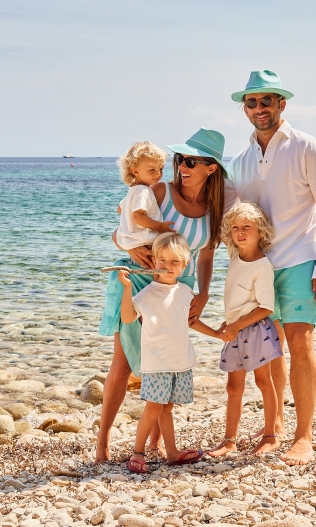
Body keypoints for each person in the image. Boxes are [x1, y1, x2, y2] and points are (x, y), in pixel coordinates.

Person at [224, 70, 316, 465]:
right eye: (252, 102)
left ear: (281, 105)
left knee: (300, 345)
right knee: (269, 352)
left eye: (266, 101)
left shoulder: (308, 148)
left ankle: (303, 437)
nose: (259, 109)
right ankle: (272, 431)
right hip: (258, 269)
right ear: (245, 108)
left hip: (300, 262)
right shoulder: (240, 161)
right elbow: (221, 212)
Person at [95, 128, 226, 464]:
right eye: (180, 158)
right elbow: (120, 227)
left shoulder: (215, 208)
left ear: (211, 168)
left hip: (180, 289)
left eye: (191, 160)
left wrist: (204, 293)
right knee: (124, 365)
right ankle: (103, 442)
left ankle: (154, 445)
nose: (182, 165)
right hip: (140, 281)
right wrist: (133, 246)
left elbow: (208, 255)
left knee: (165, 360)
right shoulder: (159, 189)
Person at [118, 232, 219, 472]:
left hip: (179, 362)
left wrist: (218, 334)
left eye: (175, 262)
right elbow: (128, 317)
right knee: (154, 408)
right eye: (162, 261)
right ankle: (138, 452)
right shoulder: (148, 294)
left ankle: (172, 452)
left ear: (185, 265)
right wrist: (126, 288)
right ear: (153, 261)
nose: (167, 266)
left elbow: (191, 322)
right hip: (156, 363)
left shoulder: (185, 292)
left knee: (168, 407)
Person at [202, 202, 283, 457]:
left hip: (255, 329)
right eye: (235, 227)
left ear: (260, 231)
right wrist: (231, 323)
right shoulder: (235, 256)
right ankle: (229, 440)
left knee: (263, 381)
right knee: (233, 388)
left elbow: (267, 307)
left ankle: (271, 435)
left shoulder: (262, 265)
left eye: (247, 227)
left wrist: (237, 324)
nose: (240, 232)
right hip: (235, 330)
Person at [115, 142, 174, 250]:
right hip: (145, 241)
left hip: (133, 241)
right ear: (135, 171)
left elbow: (120, 209)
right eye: (152, 170)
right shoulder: (143, 191)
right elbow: (138, 216)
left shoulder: (133, 190)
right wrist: (160, 226)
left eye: (160, 169)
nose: (158, 174)